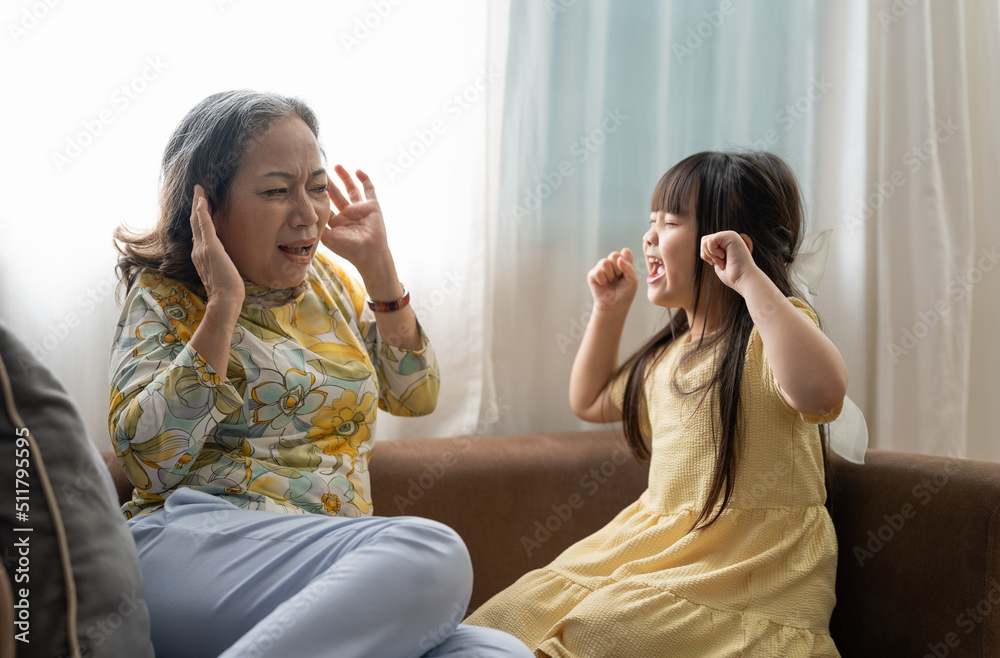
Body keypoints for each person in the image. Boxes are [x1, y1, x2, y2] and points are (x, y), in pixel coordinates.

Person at [109, 90, 532, 658]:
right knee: (432, 553)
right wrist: (223, 307)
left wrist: (379, 268)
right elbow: (147, 462)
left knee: (498, 653)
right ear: (204, 205)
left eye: (317, 187)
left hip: (323, 563)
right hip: (193, 546)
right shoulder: (164, 295)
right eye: (277, 191)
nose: (308, 213)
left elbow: (416, 395)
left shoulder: (330, 283)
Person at [464, 151, 847, 657]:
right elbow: (592, 399)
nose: (649, 237)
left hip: (747, 570)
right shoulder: (669, 358)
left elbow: (822, 392)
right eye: (651, 222)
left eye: (669, 222)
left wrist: (753, 281)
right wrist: (608, 311)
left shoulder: (767, 336)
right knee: (508, 614)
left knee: (598, 629)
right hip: (656, 547)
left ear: (728, 247)